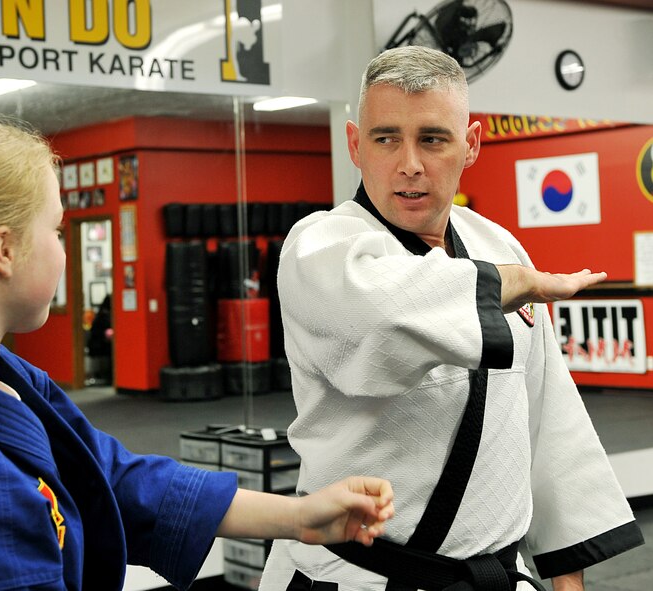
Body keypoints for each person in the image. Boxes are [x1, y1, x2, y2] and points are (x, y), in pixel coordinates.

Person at [0, 118, 394, 591]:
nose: (63, 249)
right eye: (57, 230)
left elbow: (110, 478)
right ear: (4, 250)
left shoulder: (0, 382)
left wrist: (300, 517)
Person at [260, 46, 644, 591]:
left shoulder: (496, 244)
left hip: (493, 576)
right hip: (359, 578)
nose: (409, 163)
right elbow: (383, 314)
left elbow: (547, 417)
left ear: (471, 145)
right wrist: (514, 283)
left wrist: (566, 576)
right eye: (385, 138)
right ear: (354, 145)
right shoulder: (319, 246)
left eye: (433, 139)